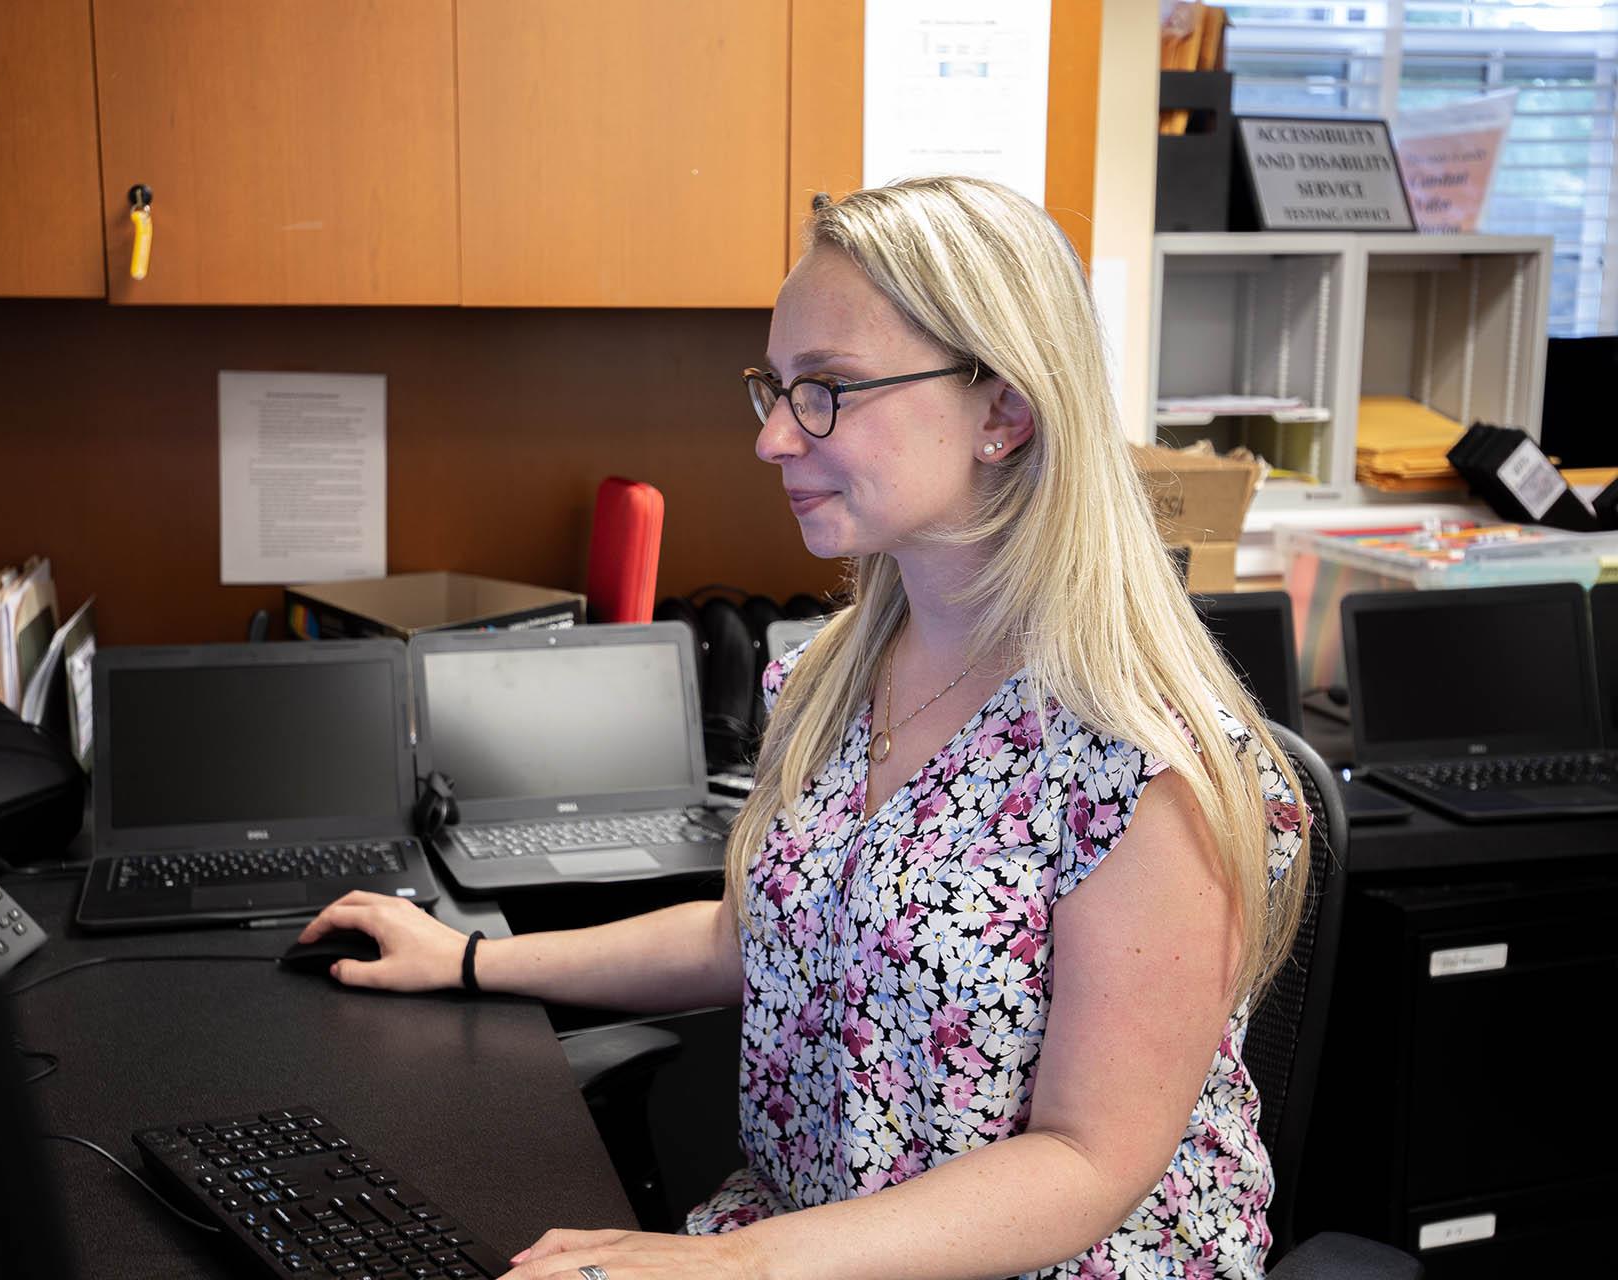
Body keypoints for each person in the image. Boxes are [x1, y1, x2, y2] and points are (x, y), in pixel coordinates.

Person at [298, 176, 1310, 1280]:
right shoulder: (830, 675)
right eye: (775, 389)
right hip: (808, 1245)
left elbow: (1086, 1160)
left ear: (1005, 412)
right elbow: (754, 936)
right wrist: (474, 957)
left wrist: (740, 1266)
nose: (776, 437)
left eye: (828, 390)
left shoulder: (1142, 763)